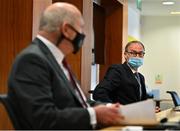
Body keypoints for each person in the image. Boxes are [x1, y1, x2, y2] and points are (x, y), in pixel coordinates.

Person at [7, 2, 124, 130]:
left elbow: (80, 103)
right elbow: (42, 118)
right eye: (81, 28)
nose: (83, 34)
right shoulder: (32, 60)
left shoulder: (57, 60)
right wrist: (94, 114)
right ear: (67, 30)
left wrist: (109, 109)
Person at [93, 41, 148, 105]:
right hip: (120, 113)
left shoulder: (141, 77)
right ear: (125, 55)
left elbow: (142, 100)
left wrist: (149, 108)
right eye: (133, 53)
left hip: (136, 114)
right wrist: (113, 108)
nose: (137, 56)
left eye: (141, 53)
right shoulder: (117, 70)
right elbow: (99, 93)